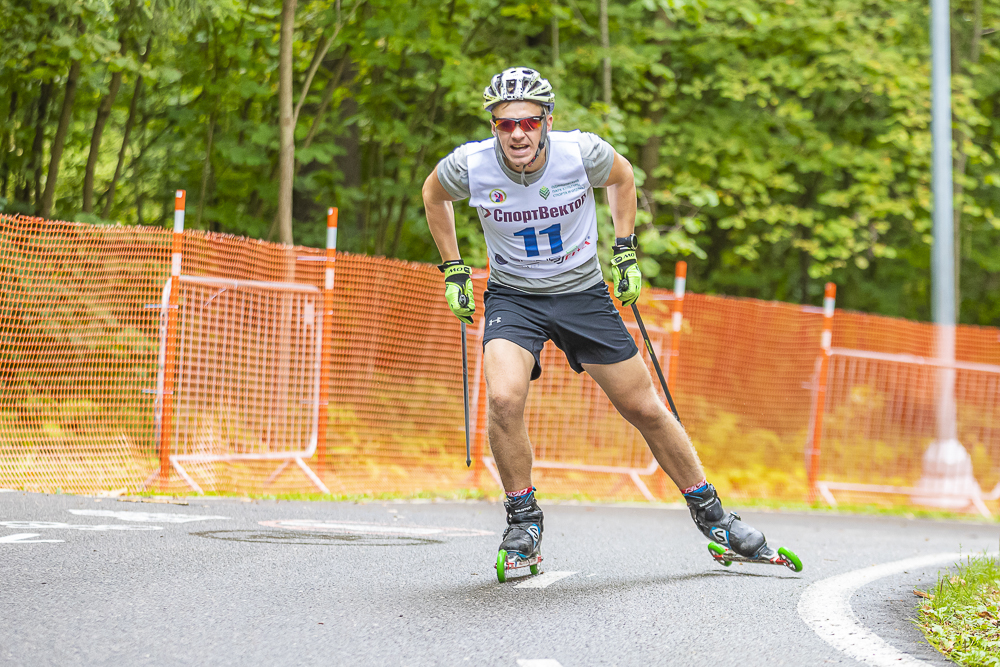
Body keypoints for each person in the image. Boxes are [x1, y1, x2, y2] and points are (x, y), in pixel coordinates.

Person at [421, 66, 768, 568]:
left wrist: (624, 250)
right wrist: (453, 267)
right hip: (514, 297)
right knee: (501, 396)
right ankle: (524, 522)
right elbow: (433, 196)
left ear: (547, 121)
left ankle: (713, 515)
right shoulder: (469, 166)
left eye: (529, 122)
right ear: (493, 125)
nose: (517, 133)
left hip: (583, 294)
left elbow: (623, 177)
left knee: (644, 407)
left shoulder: (580, 152)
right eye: (505, 124)